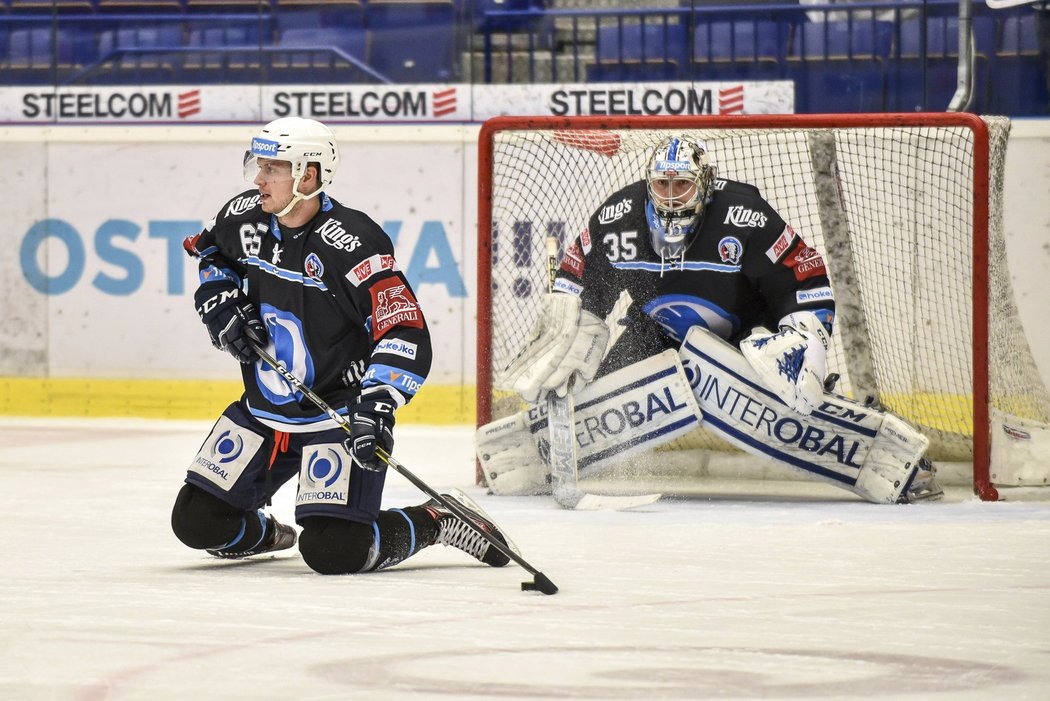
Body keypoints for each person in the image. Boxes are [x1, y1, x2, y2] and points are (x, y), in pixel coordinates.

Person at [491, 134, 940, 504]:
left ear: (703, 184)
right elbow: (579, 277)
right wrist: (574, 320)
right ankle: (537, 453)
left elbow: (802, 274)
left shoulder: (743, 214)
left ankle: (888, 451)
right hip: (655, 332)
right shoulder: (618, 217)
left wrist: (803, 330)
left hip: (745, 335)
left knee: (793, 390)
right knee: (598, 398)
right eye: (661, 186)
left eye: (681, 186)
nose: (669, 198)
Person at [172, 117, 510, 574]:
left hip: (335, 414)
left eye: (273, 167)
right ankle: (271, 534)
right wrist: (219, 299)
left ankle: (438, 518)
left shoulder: (352, 243)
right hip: (265, 410)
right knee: (196, 523)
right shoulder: (243, 216)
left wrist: (376, 406)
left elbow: (403, 330)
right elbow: (212, 256)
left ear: (307, 175)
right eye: (259, 164)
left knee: (335, 551)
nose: (259, 178)